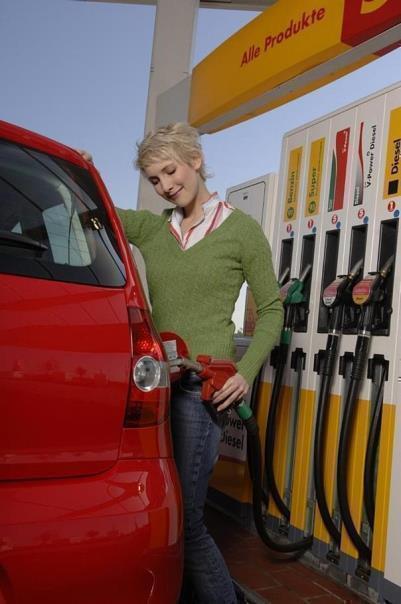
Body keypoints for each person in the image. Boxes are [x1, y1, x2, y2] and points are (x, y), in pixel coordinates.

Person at [80, 122, 283, 604]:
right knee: (159, 513)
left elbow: (273, 309)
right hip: (156, 388)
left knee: (187, 522)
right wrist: (86, 171)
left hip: (199, 390)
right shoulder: (155, 228)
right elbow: (94, 215)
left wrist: (246, 370)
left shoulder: (240, 230)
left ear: (194, 159)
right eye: (154, 179)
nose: (166, 185)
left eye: (170, 170)